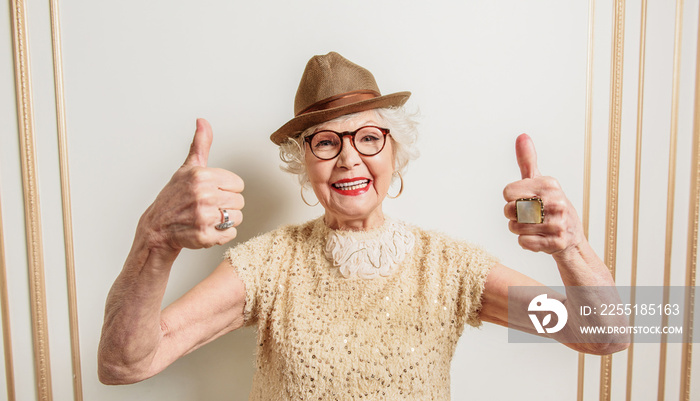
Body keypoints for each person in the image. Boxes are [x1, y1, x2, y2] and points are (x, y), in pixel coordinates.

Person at [98, 52, 629, 399]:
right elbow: (125, 364)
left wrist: (572, 247)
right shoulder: (267, 265)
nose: (349, 159)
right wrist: (155, 239)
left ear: (394, 151)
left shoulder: (448, 267)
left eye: (368, 137)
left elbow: (607, 336)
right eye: (326, 141)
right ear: (303, 162)